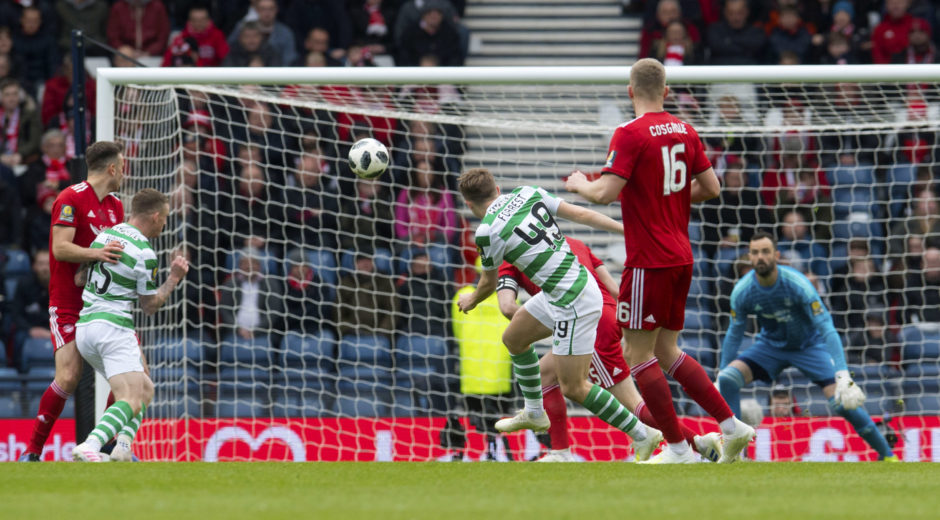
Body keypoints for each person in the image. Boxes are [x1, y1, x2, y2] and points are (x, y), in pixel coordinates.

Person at [565, 58, 752, 464]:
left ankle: (681, 449)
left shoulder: (630, 133)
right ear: (666, 92)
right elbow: (712, 188)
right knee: (667, 350)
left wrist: (580, 184)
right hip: (682, 255)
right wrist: (667, 198)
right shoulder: (686, 129)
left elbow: (604, 194)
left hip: (649, 260)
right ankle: (733, 427)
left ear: (631, 92)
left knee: (637, 355)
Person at [456, 168, 662, 462]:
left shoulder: (486, 231)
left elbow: (488, 284)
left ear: (468, 203)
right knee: (513, 338)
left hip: (573, 301)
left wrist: (471, 299)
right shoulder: (527, 192)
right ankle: (534, 411)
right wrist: (626, 230)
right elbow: (581, 215)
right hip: (565, 289)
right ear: (498, 189)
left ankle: (642, 434)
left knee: (574, 387)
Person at [496, 236, 721, 462]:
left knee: (633, 405)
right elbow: (615, 290)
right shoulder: (574, 243)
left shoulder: (513, 257)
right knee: (545, 374)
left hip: (590, 326)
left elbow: (507, 307)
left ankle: (698, 442)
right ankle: (560, 452)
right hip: (607, 316)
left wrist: (541, 323)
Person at [717, 232, 898, 461]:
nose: (760, 257)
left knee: (842, 403)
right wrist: (722, 369)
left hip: (809, 347)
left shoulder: (797, 284)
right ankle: (735, 455)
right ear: (750, 257)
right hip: (770, 347)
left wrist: (842, 373)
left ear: (776, 255)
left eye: (765, 251)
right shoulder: (742, 291)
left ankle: (887, 455)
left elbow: (826, 327)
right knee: (728, 379)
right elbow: (734, 333)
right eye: (755, 253)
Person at [19, 141, 128, 462]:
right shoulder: (70, 198)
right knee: (68, 375)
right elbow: (60, 249)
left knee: (132, 375)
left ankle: (106, 447)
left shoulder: (116, 206)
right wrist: (97, 253)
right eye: (122, 166)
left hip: (103, 304)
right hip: (68, 302)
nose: (124, 172)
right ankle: (33, 451)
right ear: (111, 168)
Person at [71, 189, 188, 461]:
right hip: (113, 328)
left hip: (86, 327)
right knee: (131, 398)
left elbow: (79, 279)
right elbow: (149, 306)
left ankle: (122, 447)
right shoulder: (145, 252)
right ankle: (91, 444)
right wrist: (173, 278)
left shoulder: (106, 235)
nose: (165, 224)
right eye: (165, 218)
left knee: (145, 388)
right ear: (156, 216)